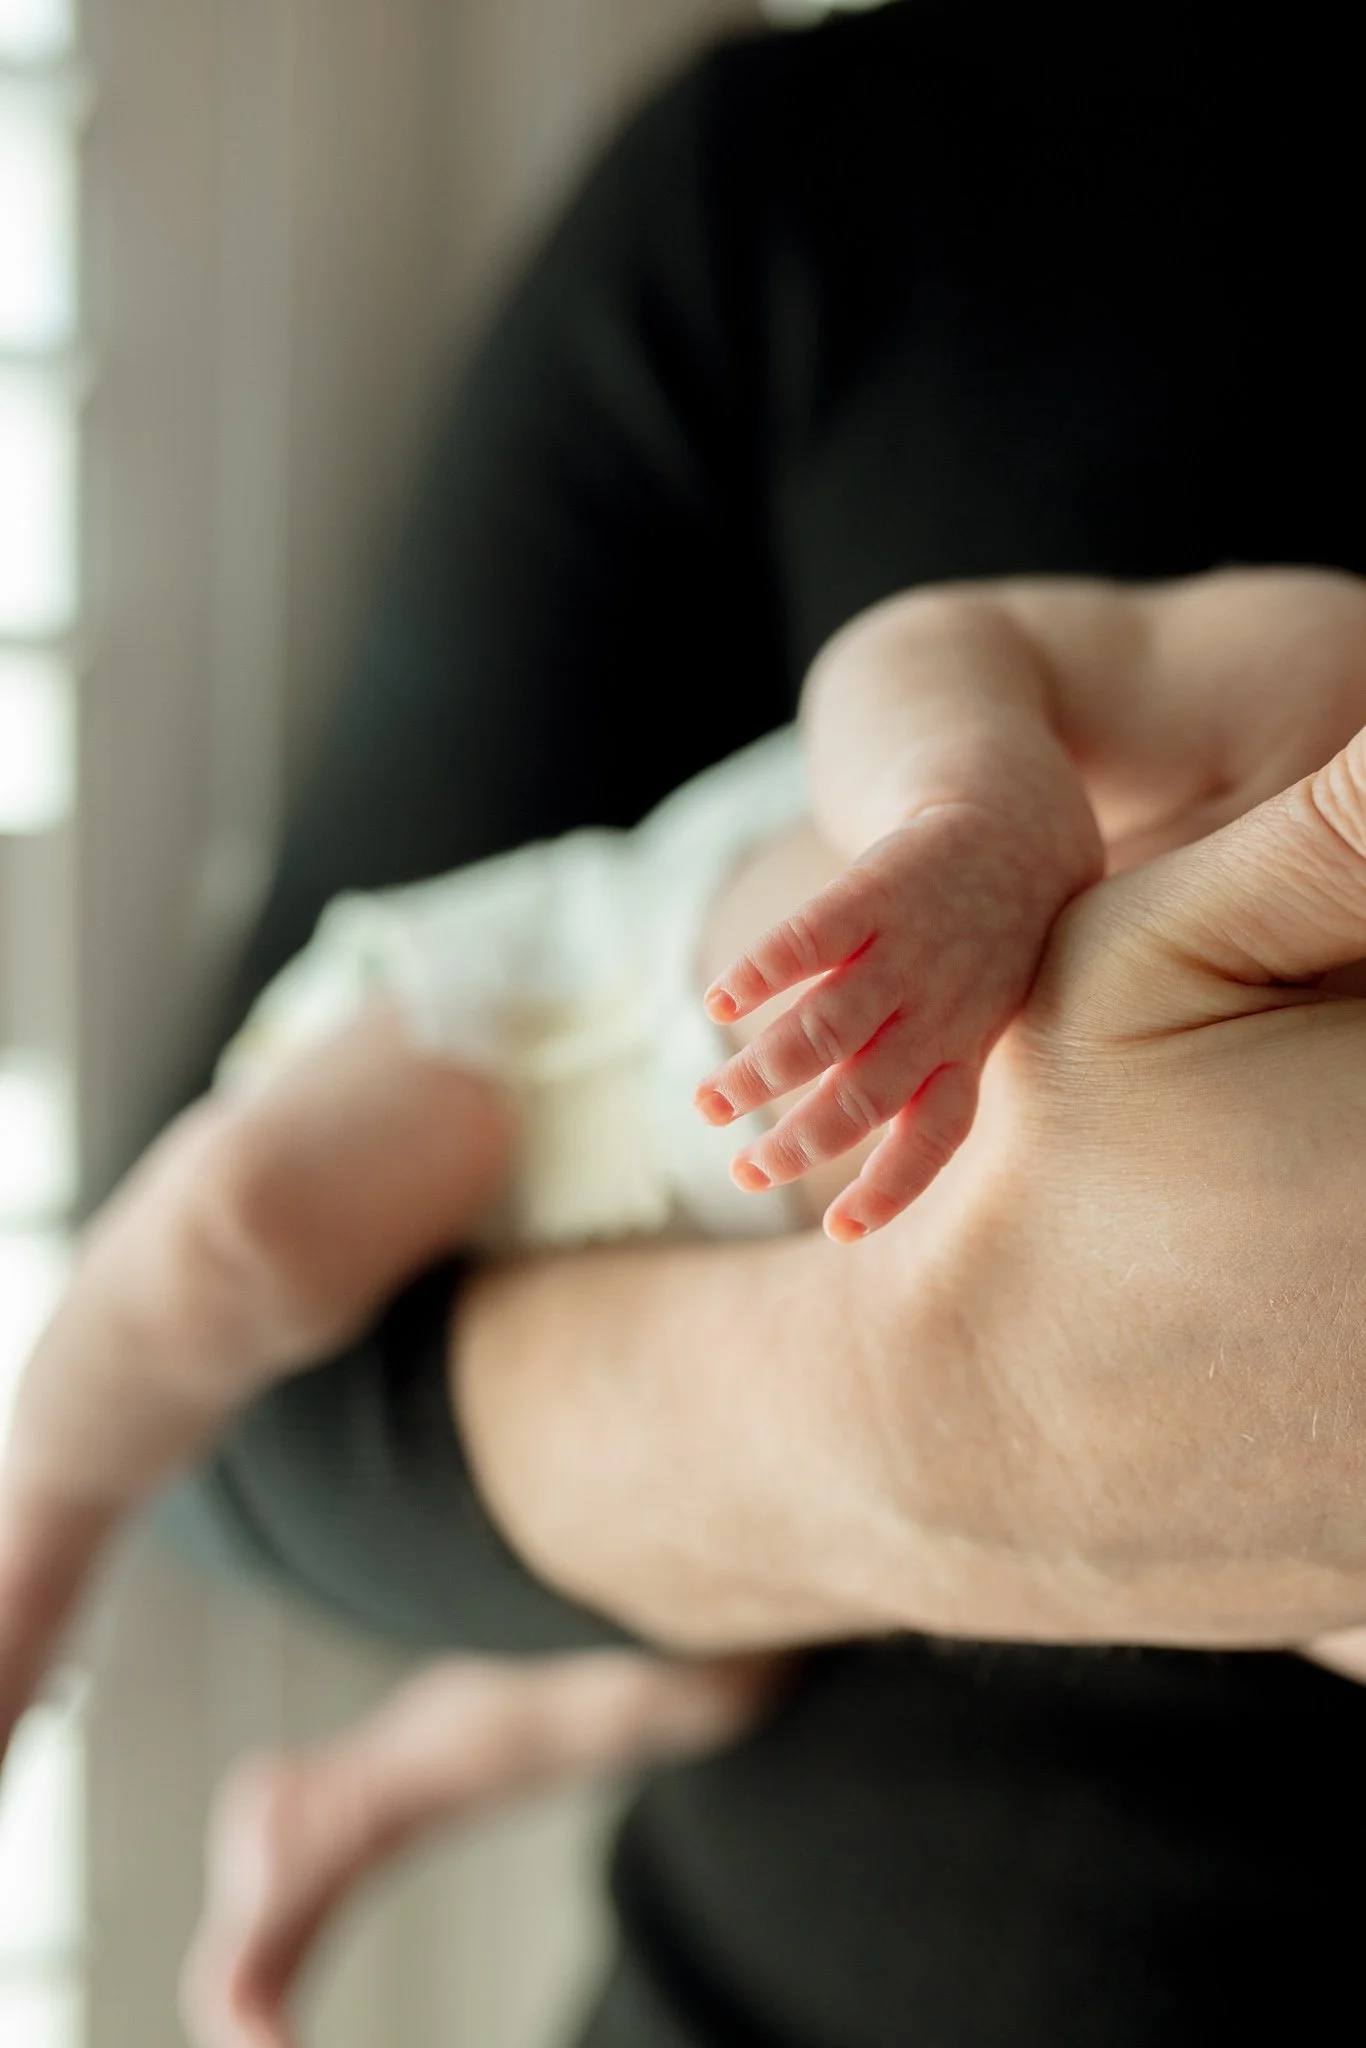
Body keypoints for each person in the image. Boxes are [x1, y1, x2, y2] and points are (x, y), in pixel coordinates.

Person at [13, 4, 1366, 2042]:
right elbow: (944, 643)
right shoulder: (1311, 668)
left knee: (697, 1664)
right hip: (570, 1030)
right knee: (235, 1236)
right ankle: (26, 1546)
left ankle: (348, 1802)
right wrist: (974, 824)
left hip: (772, 1325)